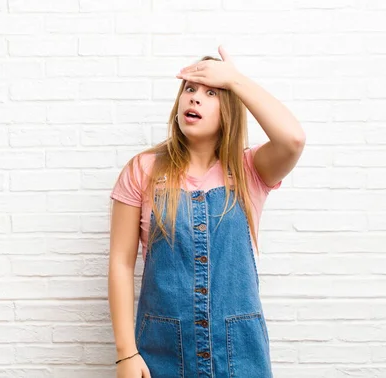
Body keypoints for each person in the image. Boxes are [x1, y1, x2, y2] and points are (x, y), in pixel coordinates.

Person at [108, 45, 306, 378]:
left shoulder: (249, 170)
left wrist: (236, 80)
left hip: (240, 352)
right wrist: (126, 354)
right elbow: (120, 262)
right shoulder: (143, 170)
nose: (194, 98)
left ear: (229, 108)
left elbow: (293, 139)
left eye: (212, 92)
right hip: (161, 349)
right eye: (190, 89)